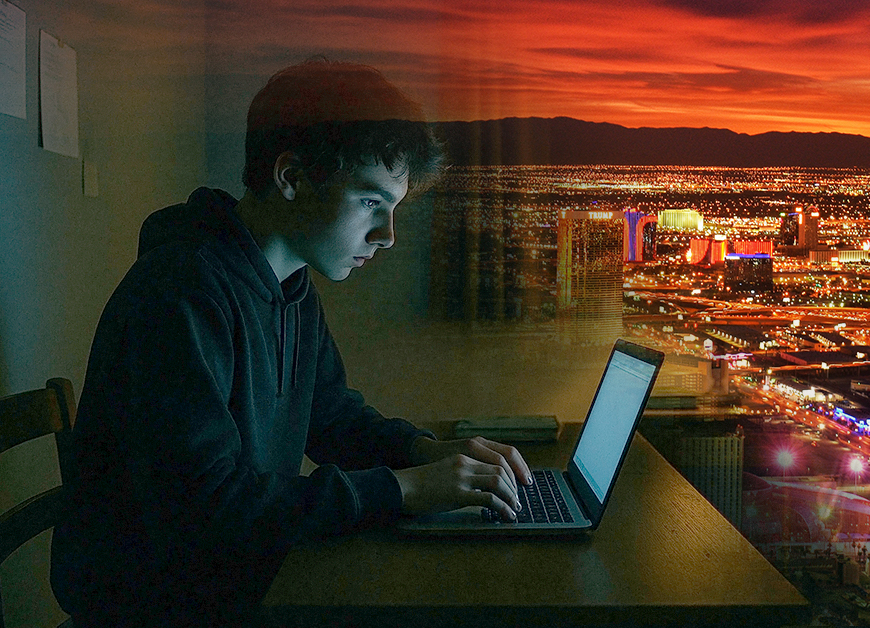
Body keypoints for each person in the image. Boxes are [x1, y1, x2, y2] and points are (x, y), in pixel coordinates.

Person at [50, 59, 532, 627]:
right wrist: (402, 490)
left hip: (232, 581)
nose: (389, 236)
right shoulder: (179, 292)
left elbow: (332, 418)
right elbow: (212, 513)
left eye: (395, 208)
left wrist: (427, 454)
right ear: (292, 177)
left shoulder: (291, 286)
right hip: (161, 606)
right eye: (371, 202)